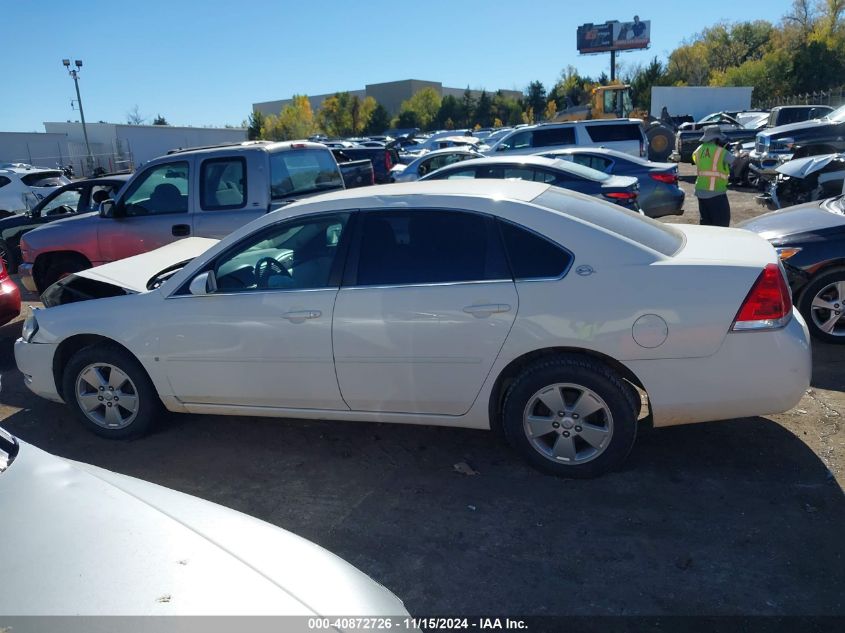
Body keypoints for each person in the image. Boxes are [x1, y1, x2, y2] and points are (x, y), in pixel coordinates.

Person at [692, 127, 733, 227]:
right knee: (721, 224)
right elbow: (734, 161)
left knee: (706, 223)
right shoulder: (721, 152)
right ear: (717, 138)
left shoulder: (698, 150)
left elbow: (696, 160)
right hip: (716, 192)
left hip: (700, 190)